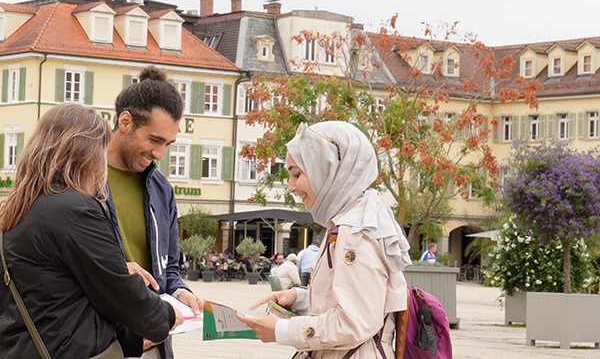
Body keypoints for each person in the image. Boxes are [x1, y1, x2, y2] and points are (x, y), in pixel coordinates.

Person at [0, 103, 183, 359]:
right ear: (85, 153)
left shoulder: (18, 207)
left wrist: (129, 340)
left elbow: (59, 293)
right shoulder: (75, 209)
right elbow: (117, 289)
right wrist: (168, 316)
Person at [238, 121, 412, 358]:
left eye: (297, 174)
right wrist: (299, 298)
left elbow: (355, 322)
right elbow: (351, 299)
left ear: (327, 170)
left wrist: (283, 331)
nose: (290, 187)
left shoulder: (354, 231)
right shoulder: (350, 220)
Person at [106, 65, 202, 358]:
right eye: (154, 140)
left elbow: (167, 269)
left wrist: (180, 292)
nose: (160, 154)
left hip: (153, 341)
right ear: (125, 122)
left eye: (168, 144)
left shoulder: (162, 190)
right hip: (100, 338)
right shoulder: (81, 178)